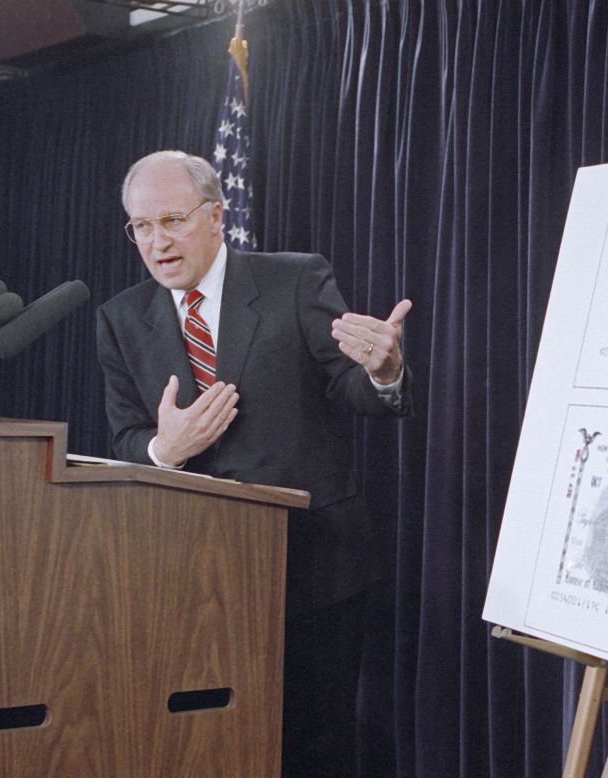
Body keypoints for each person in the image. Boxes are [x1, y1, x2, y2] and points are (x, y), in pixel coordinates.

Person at [96, 150, 411, 776]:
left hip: (314, 567)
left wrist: (384, 370)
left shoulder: (294, 280)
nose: (157, 242)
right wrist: (169, 449)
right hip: (192, 580)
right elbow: (128, 439)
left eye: (172, 220)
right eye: (141, 227)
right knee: (213, 748)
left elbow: (350, 384)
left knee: (314, 747)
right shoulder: (121, 319)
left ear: (215, 216)